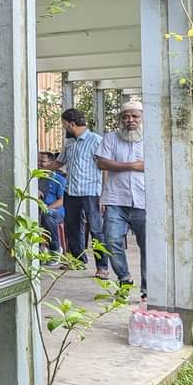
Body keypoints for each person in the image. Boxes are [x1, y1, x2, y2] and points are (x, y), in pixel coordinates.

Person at [97, 101, 146, 297]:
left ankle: (147, 289)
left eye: (134, 116)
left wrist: (117, 164)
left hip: (145, 200)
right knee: (110, 240)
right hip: (116, 199)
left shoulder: (151, 139)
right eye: (125, 117)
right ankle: (124, 279)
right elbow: (102, 162)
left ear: (142, 118)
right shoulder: (110, 138)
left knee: (148, 246)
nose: (130, 120)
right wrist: (133, 166)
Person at [58, 108, 106, 276]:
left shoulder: (96, 141)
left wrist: (104, 194)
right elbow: (59, 163)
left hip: (90, 192)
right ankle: (78, 260)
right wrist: (39, 166)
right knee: (72, 227)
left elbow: (104, 167)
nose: (64, 128)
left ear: (72, 124)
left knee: (96, 229)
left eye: (64, 125)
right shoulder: (69, 143)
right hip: (70, 191)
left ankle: (102, 267)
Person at [37, 151, 67, 255]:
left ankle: (55, 249)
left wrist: (47, 208)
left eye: (42, 161)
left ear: (51, 163)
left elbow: (62, 200)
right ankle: (39, 249)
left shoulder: (59, 179)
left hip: (56, 211)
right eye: (37, 161)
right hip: (39, 210)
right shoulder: (35, 178)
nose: (39, 164)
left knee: (46, 215)